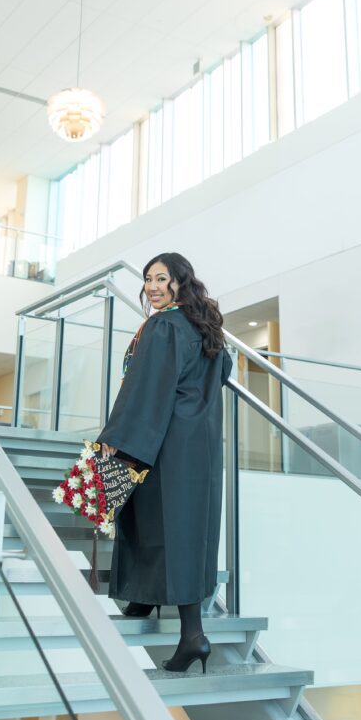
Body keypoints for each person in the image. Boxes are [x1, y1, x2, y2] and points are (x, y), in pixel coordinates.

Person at [99, 252, 232, 674]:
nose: (153, 286)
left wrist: (114, 438)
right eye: (148, 279)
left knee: (151, 519)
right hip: (200, 447)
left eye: (162, 279)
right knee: (186, 531)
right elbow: (219, 375)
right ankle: (149, 601)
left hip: (164, 442)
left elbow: (144, 387)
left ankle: (191, 635)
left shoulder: (163, 326)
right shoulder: (206, 327)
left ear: (180, 282)